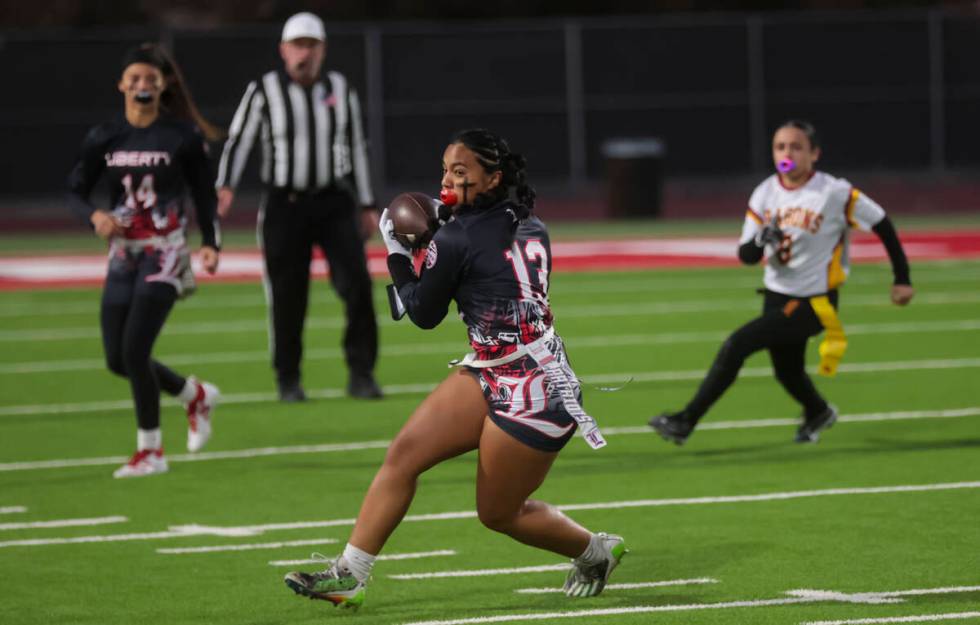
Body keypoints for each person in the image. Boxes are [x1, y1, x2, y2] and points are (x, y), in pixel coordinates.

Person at [282, 129, 627, 609]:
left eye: (460, 172)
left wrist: (399, 253)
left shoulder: (458, 235)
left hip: (531, 389)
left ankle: (595, 550)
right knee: (404, 455)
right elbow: (485, 257)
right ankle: (350, 573)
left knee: (499, 513)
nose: (447, 180)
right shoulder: (528, 220)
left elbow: (422, 313)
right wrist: (440, 232)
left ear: (492, 178)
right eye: (445, 169)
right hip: (505, 364)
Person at [650, 120, 914, 446]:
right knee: (787, 371)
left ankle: (685, 421)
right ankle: (818, 411)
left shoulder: (834, 192)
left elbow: (882, 224)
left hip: (813, 301)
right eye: (780, 146)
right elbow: (746, 255)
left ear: (814, 154)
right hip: (777, 295)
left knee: (737, 345)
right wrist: (762, 239)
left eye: (796, 146)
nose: (787, 153)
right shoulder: (765, 192)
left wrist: (902, 278)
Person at [67, 43, 223, 478]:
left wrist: (211, 242)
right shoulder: (105, 136)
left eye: (149, 79)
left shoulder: (182, 137)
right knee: (117, 359)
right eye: (134, 78)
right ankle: (193, 394)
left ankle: (150, 450)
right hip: (122, 255)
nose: (141, 85)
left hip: (165, 254)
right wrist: (95, 214)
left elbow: (204, 195)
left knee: (136, 350)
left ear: (163, 85)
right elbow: (75, 189)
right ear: (121, 84)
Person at [215, 12, 381, 402]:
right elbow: (240, 140)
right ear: (284, 50)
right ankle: (288, 379)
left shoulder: (340, 88)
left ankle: (362, 374)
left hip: (333, 200)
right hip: (284, 204)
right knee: (288, 295)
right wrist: (225, 185)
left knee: (357, 285)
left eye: (312, 45)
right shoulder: (265, 89)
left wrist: (367, 202)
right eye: (298, 45)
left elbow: (356, 146)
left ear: (322, 49)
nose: (304, 53)